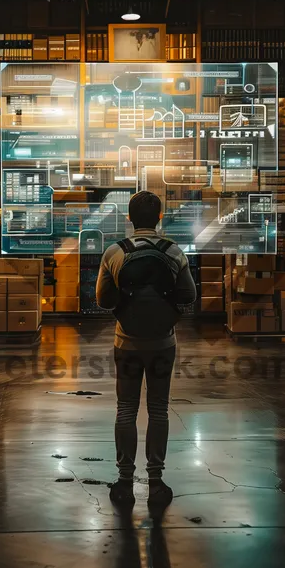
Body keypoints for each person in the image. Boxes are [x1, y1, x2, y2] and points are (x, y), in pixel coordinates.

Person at [96, 191, 197, 513]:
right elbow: (189, 296)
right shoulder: (173, 251)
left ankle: (125, 481)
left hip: (126, 342)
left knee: (126, 409)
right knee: (159, 409)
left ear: (129, 218)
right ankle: (156, 482)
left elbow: (102, 300)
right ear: (159, 218)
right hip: (163, 344)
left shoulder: (115, 252)